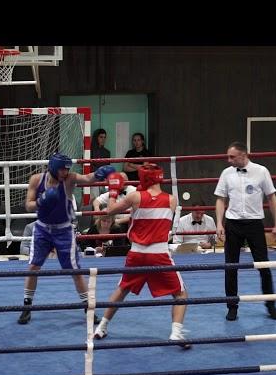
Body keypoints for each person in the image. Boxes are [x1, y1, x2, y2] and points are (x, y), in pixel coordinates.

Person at [93, 164, 190, 347]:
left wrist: (113, 190)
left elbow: (109, 211)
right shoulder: (172, 199)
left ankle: (101, 328)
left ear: (144, 178)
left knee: (122, 289)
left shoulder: (135, 196)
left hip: (137, 253)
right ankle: (176, 334)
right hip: (160, 254)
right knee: (180, 294)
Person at [17, 153, 116, 325]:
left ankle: (88, 308)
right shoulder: (36, 179)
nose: (65, 172)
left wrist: (101, 173)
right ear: (54, 168)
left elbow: (87, 178)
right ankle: (27, 306)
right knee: (33, 266)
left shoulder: (69, 179)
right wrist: (42, 201)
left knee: (75, 271)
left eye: (67, 169)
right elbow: (28, 205)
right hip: (42, 229)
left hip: (63, 230)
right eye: (63, 169)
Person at [214, 141, 276, 321]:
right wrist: (219, 224)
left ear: (243, 155)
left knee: (264, 267)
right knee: (231, 267)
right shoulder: (226, 174)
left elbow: (271, 198)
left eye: (232, 156)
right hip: (233, 224)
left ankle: (270, 305)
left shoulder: (261, 171)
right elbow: (220, 199)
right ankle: (232, 306)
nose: (228, 160)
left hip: (254, 224)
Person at [89, 128, 111, 199]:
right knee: (94, 199)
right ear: (96, 137)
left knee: (104, 199)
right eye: (101, 137)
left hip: (103, 180)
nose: (103, 139)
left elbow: (107, 167)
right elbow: (87, 165)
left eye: (104, 137)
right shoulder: (89, 151)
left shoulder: (107, 152)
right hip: (93, 179)